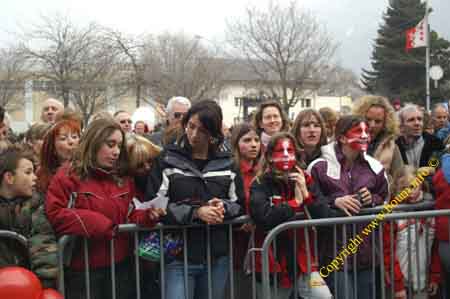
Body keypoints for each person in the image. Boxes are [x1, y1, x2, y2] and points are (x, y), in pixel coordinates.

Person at [45, 118, 165, 299]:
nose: (116, 151)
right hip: (83, 272)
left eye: (119, 145)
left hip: (121, 268)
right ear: (94, 142)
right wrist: (98, 223)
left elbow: (130, 214)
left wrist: (148, 215)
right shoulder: (68, 175)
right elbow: (56, 213)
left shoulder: (122, 178)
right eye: (110, 144)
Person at [145, 100, 243, 299]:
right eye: (191, 126)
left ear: (214, 134)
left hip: (216, 254)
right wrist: (196, 212)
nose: (194, 135)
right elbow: (155, 203)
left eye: (203, 131)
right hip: (178, 255)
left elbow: (239, 203)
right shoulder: (167, 158)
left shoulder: (228, 162)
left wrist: (223, 207)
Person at [308, 115, 389, 299]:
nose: (364, 136)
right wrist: (334, 201)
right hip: (333, 254)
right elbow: (311, 201)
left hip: (367, 254)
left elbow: (386, 198)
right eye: (357, 131)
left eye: (366, 132)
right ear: (342, 137)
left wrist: (372, 199)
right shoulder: (319, 167)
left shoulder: (374, 167)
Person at [250, 132, 332, 299]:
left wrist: (306, 194)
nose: (287, 156)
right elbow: (263, 217)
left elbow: (324, 215)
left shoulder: (305, 178)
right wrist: (294, 203)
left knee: (322, 295)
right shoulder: (260, 183)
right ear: (271, 157)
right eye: (281, 151)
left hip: (305, 261)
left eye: (291, 151)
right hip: (274, 263)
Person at [383, 165, 439, 299]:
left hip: (423, 280)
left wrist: (435, 276)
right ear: (396, 188)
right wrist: (398, 285)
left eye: (413, 186)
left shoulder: (431, 208)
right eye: (404, 188)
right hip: (400, 283)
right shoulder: (392, 212)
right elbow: (387, 251)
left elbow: (435, 247)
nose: (410, 192)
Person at [228, 123, 261, 299]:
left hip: (261, 243)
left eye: (256, 140)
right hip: (236, 245)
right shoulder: (230, 171)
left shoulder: (263, 171)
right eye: (247, 140)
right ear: (236, 144)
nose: (254, 144)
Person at [353, 95, 404, 180]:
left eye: (378, 121)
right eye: (368, 119)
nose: (372, 125)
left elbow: (400, 180)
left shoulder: (391, 148)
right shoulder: (348, 143)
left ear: (385, 123)